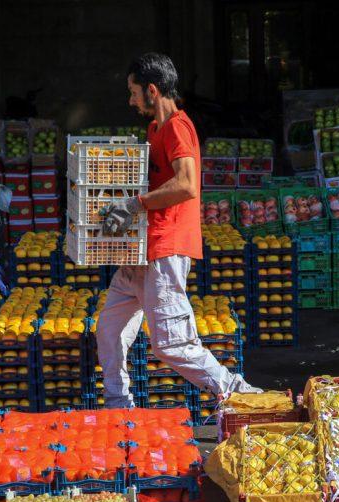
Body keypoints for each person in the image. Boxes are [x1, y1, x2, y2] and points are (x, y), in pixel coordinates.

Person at [96, 53, 261, 408]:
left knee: (171, 343)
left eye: (133, 91)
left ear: (152, 90)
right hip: (141, 251)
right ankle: (117, 404)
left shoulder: (176, 127)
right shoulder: (155, 129)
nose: (130, 100)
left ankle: (235, 391)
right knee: (109, 330)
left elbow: (187, 185)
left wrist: (134, 204)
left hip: (164, 248)